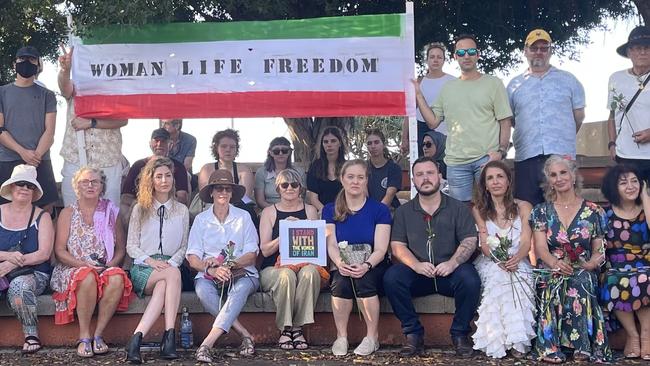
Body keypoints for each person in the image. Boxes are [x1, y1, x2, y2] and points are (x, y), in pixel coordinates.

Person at [383, 156, 479, 358]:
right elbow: (397, 246)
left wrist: (453, 263)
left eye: (430, 173)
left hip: (450, 272)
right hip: (418, 274)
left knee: (470, 278)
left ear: (439, 176)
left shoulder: (458, 208)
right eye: (419, 174)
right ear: (413, 179)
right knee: (392, 277)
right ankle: (413, 334)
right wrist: (416, 265)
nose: (425, 178)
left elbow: (470, 241)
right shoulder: (403, 211)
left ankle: (460, 334)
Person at [530, 155, 612, 363]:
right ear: (549, 181)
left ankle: (581, 346)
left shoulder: (594, 211)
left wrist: (592, 263)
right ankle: (550, 346)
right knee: (551, 281)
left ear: (574, 175)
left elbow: (599, 248)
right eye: (553, 175)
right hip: (552, 264)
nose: (559, 178)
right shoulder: (541, 211)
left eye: (563, 172)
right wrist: (555, 263)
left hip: (583, 265)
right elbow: (540, 248)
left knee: (582, 279)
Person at [416, 34, 512, 202]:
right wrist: (418, 94)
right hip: (455, 163)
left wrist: (501, 152)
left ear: (478, 54)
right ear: (455, 57)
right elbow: (432, 122)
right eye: (461, 52)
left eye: (471, 51)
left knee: (491, 207)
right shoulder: (448, 88)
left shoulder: (493, 83)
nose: (466, 56)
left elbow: (505, 121)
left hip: (485, 158)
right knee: (461, 215)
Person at [50, 167, 132, 358]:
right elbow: (60, 251)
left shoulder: (111, 211)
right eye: (85, 182)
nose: (90, 185)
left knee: (117, 277)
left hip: (104, 265)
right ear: (76, 187)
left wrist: (112, 264)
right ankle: (84, 334)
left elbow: (121, 248)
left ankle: (98, 334)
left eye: (95, 181)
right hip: (73, 266)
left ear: (102, 186)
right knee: (86, 276)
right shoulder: (68, 212)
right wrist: (82, 265)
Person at [187, 170, 260, 363]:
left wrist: (230, 264)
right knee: (202, 290)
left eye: (228, 189)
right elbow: (192, 258)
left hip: (243, 273)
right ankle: (245, 334)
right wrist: (210, 269)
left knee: (240, 289)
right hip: (210, 273)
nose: (223, 192)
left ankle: (207, 344)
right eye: (219, 188)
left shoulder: (244, 216)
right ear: (211, 192)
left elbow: (252, 254)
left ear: (232, 193)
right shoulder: (201, 220)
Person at [507, 29, 586, 206]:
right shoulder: (514, 86)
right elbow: (511, 120)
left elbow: (578, 117)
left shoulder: (568, 80)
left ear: (551, 51)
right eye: (534, 48)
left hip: (561, 155)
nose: (539, 52)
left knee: (563, 206)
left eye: (544, 47)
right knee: (527, 208)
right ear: (525, 51)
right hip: (527, 155)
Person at [124, 157, 189, 363]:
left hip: (170, 265)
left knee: (166, 283)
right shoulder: (139, 208)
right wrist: (151, 262)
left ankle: (136, 338)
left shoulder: (182, 211)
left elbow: (184, 246)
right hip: (144, 267)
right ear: (150, 180)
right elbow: (131, 246)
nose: (164, 180)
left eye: (168, 176)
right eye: (159, 176)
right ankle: (169, 336)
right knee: (171, 275)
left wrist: (172, 263)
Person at [324, 159, 391, 356]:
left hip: (373, 264)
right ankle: (341, 336)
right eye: (350, 177)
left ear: (366, 180)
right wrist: (339, 263)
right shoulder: (330, 209)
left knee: (365, 280)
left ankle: (372, 337)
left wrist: (366, 265)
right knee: (340, 282)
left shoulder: (379, 210)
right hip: (343, 263)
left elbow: (381, 248)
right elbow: (332, 244)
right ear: (342, 179)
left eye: (360, 177)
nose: (355, 182)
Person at [470, 160, 536, 359]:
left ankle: (518, 341)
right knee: (499, 275)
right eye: (490, 178)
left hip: (519, 259)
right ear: (485, 185)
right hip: (491, 260)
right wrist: (499, 260)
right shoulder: (478, 209)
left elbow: (526, 241)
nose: (495, 181)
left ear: (508, 181)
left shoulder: (524, 206)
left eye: (500, 176)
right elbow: (484, 243)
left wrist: (516, 259)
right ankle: (495, 340)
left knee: (519, 274)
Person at [258, 168, 325, 350]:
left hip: (305, 263)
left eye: (294, 184)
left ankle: (297, 327)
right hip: (273, 267)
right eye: (284, 185)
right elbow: (264, 250)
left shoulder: (310, 211)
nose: (289, 188)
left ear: (300, 188)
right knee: (286, 275)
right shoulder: (269, 213)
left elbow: (317, 244)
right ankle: (285, 329)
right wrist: (285, 233)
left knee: (310, 273)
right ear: (278, 188)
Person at [58, 47, 128, 206]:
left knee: (108, 215)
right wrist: (65, 70)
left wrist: (91, 123)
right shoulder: (78, 82)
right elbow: (65, 88)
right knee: (73, 212)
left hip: (107, 160)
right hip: (75, 157)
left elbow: (123, 119)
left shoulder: (116, 88)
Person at [0, 165, 54, 353]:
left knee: (19, 286)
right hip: (2, 272)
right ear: (11, 187)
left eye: (29, 186)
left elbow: (43, 254)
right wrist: (7, 257)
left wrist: (11, 264)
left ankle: (31, 334)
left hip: (34, 273)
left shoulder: (42, 216)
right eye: (20, 183)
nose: (24, 188)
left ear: (34, 191)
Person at [599, 164, 650, 360]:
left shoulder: (646, 209)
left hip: (645, 262)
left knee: (644, 277)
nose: (630, 186)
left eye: (634, 181)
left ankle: (646, 336)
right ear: (614, 187)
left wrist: (645, 196)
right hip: (616, 265)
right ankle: (632, 334)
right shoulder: (605, 213)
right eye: (623, 182)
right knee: (615, 279)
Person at [0, 46, 58, 212]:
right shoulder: (2, 92)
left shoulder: (48, 95)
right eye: (22, 59)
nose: (26, 63)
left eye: (31, 59)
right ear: (14, 64)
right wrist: (21, 151)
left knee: (46, 209)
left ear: (38, 65)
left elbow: (50, 132)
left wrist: (35, 156)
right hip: (8, 159)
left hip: (40, 159)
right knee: (5, 209)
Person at [121, 128, 189, 226]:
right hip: (142, 210)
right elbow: (125, 197)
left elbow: (182, 197)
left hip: (169, 211)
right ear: (150, 144)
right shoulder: (138, 165)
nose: (159, 144)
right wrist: (145, 205)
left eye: (163, 141)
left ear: (170, 145)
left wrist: (160, 206)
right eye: (156, 141)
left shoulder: (178, 167)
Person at [607, 26, 650, 182]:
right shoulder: (616, 79)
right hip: (625, 155)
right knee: (628, 202)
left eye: (647, 48)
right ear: (629, 52)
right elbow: (612, 115)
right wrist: (612, 144)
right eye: (638, 48)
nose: (643, 52)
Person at [401, 42, 455, 156]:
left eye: (439, 57)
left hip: (443, 129)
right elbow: (410, 112)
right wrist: (404, 137)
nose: (435, 60)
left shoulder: (453, 81)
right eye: (432, 57)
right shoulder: (419, 82)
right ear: (427, 60)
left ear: (444, 60)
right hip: (421, 128)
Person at [255, 137, 305, 209]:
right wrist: (278, 210)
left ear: (289, 152)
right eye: (276, 151)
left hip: (295, 209)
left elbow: (302, 198)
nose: (280, 153)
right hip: (269, 209)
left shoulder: (299, 172)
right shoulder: (262, 172)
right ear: (270, 153)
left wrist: (288, 210)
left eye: (284, 150)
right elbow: (260, 201)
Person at [306, 126, 347, 212]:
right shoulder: (315, 167)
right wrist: (327, 212)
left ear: (340, 143)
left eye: (333, 141)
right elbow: (313, 198)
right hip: (321, 213)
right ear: (322, 145)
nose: (329, 145)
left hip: (345, 212)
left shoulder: (347, 166)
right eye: (325, 142)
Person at [366, 129, 401, 209]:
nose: (373, 146)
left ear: (384, 144)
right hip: (368, 212)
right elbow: (364, 196)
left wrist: (377, 214)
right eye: (369, 143)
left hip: (389, 211)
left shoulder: (394, 168)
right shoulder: (363, 168)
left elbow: (390, 194)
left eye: (376, 142)